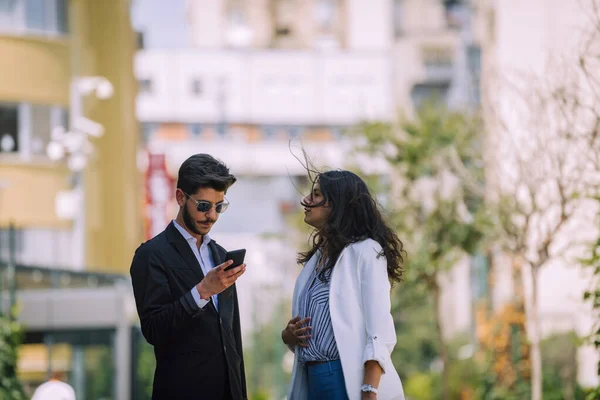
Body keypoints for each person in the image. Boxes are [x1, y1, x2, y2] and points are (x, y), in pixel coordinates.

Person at [130, 154, 247, 399]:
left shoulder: (221, 255)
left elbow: (232, 338)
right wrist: (202, 291)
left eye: (219, 207)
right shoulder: (151, 255)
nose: (212, 216)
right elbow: (153, 329)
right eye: (203, 206)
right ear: (181, 197)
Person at [282, 169, 406, 400]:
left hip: (346, 379)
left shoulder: (366, 251)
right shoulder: (317, 259)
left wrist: (369, 390)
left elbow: (379, 331)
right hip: (311, 379)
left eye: (316, 195)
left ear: (337, 205)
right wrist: (289, 337)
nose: (306, 201)